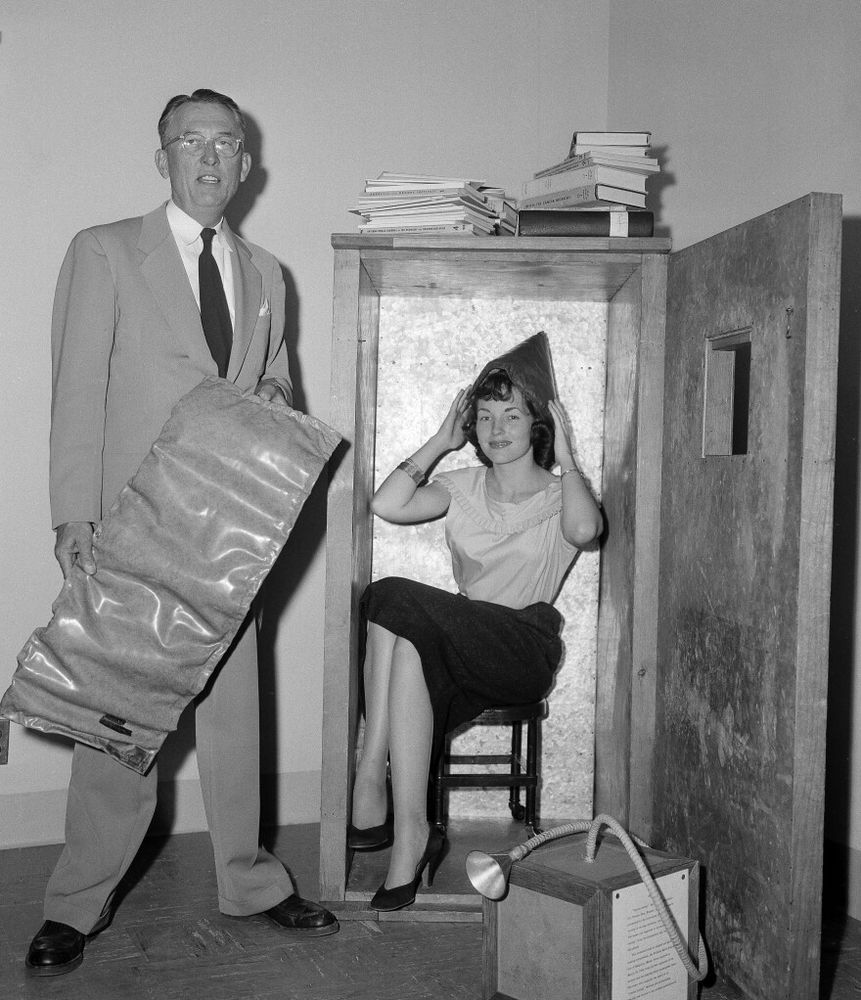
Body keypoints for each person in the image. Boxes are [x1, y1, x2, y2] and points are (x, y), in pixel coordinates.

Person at [25, 88, 338, 978]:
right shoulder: (104, 251)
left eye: (224, 142)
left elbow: (277, 388)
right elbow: (77, 389)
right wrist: (74, 514)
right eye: (189, 141)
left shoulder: (266, 273)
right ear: (161, 157)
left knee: (236, 718)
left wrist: (271, 400)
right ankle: (75, 904)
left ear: (246, 162)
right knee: (116, 719)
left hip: (232, 527)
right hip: (134, 526)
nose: (208, 157)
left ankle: (250, 882)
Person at [347, 333, 604, 911]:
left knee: (392, 595)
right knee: (406, 639)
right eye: (484, 415)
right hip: (458, 649)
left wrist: (569, 460)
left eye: (511, 414)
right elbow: (387, 505)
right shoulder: (461, 486)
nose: (495, 428)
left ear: (539, 422)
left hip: (520, 649)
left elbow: (586, 532)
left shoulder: (565, 494)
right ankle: (411, 835)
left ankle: (369, 775)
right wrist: (442, 441)